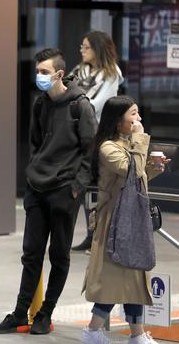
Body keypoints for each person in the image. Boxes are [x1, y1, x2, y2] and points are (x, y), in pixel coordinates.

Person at [0, 48, 97, 335]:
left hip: (65, 190)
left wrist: (77, 187)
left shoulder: (80, 106)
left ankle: (45, 313)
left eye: (45, 72)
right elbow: (35, 143)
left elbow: (91, 151)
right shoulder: (40, 104)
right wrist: (33, 172)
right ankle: (20, 313)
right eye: (38, 72)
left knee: (59, 254)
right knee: (31, 254)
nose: (39, 77)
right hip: (37, 187)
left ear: (60, 74)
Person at [81, 96, 168, 344]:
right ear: (118, 120)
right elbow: (129, 171)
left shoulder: (131, 144)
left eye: (138, 113)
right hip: (114, 222)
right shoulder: (108, 147)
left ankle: (136, 334)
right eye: (133, 114)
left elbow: (138, 178)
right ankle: (93, 331)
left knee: (134, 276)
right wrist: (141, 142)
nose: (138, 119)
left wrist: (155, 167)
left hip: (133, 218)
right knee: (115, 277)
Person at [71, 31, 123, 253]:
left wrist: (74, 105)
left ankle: (101, 235)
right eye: (82, 46)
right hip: (78, 134)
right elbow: (66, 90)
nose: (82, 50)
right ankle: (91, 233)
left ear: (97, 49)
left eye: (86, 47)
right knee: (84, 187)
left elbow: (96, 104)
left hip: (98, 135)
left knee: (99, 187)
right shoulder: (79, 70)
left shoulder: (110, 73)